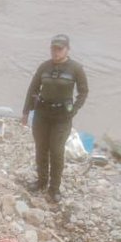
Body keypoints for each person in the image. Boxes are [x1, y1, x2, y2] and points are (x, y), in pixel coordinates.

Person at [22, 34, 89, 204]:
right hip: (42, 115)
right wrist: (25, 112)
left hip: (62, 117)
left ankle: (54, 188)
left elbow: (83, 92)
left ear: (67, 50)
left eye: (60, 49)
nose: (56, 52)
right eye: (53, 48)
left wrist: (74, 109)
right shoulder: (44, 67)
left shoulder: (76, 69)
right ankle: (41, 181)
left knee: (57, 151)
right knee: (41, 148)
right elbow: (33, 88)